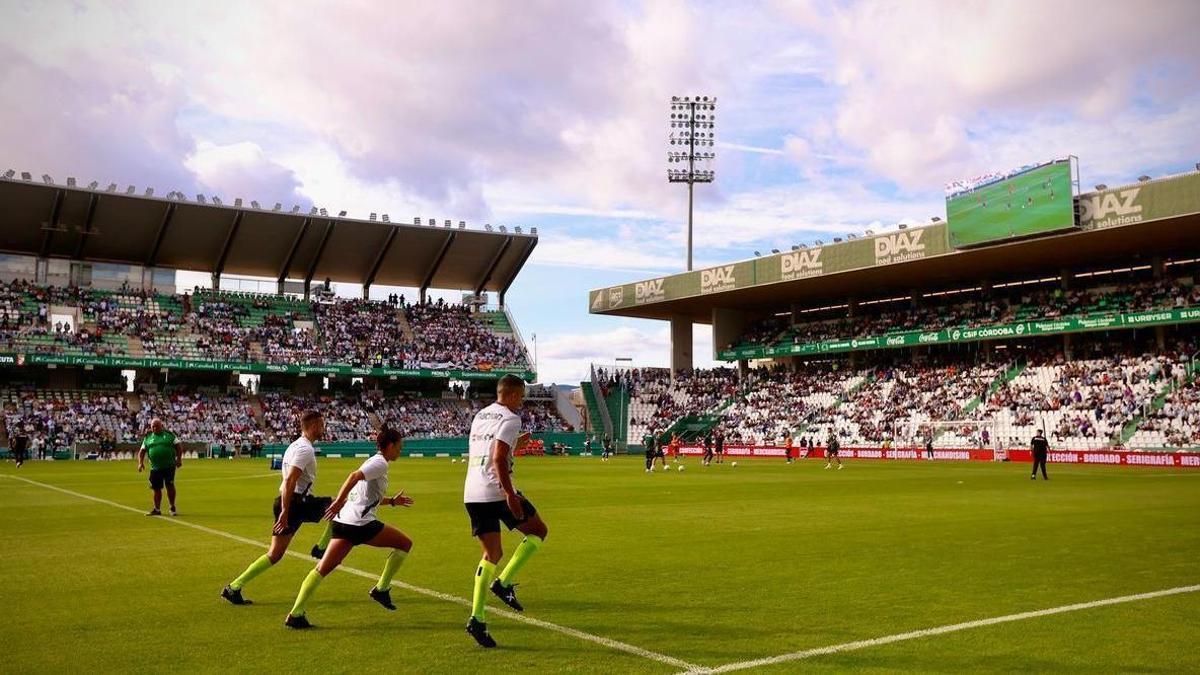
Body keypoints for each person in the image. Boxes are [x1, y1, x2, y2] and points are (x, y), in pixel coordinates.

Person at [284, 426, 416, 629]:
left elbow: (365, 497)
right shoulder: (380, 462)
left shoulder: (374, 462)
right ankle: (381, 589)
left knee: (322, 569)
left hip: (345, 523)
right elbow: (353, 477)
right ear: (389, 446)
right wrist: (337, 502)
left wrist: (391, 502)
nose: (400, 450)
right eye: (399, 446)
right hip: (361, 525)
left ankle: (296, 613)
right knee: (405, 543)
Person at [463, 375, 550, 648]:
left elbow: (496, 450)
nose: (522, 401)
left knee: (492, 554)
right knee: (538, 530)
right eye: (521, 396)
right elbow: (498, 457)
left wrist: (517, 443)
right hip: (496, 491)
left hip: (472, 492)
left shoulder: (481, 415)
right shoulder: (511, 419)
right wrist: (510, 494)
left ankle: (477, 618)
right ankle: (503, 583)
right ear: (512, 395)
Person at [222, 410, 335, 606]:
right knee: (339, 505)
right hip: (295, 503)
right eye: (322, 425)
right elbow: (291, 479)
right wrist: (285, 511)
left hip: (291, 501)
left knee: (274, 554)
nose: (324, 429)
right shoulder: (304, 449)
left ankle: (234, 587)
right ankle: (321, 548)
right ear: (315, 425)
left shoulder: (295, 445)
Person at [137, 418, 182, 516]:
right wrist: (140, 463)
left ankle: (172, 507)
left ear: (161, 426)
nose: (155, 428)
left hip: (169, 466)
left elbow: (178, 446)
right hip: (155, 468)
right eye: (153, 426)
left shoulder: (169, 435)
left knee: (170, 486)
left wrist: (179, 459)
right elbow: (142, 452)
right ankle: (157, 509)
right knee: (156, 488)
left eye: (157, 426)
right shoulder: (148, 438)